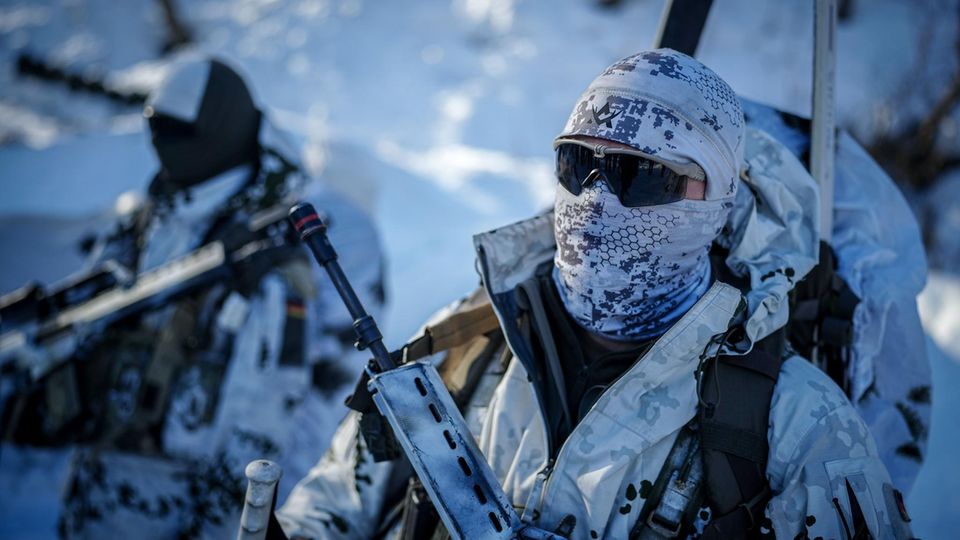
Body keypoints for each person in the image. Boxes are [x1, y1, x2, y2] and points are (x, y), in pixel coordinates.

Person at [275, 49, 917, 539]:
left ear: (718, 206)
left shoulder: (801, 427)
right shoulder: (468, 344)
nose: (595, 200)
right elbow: (331, 508)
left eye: (643, 175)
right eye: (577, 165)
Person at [0, 56, 385, 539]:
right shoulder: (153, 216)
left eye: (179, 131)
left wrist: (233, 520)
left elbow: (278, 413)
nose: (165, 143)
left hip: (178, 503)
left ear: (218, 130)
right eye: (158, 128)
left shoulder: (265, 256)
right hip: (95, 491)